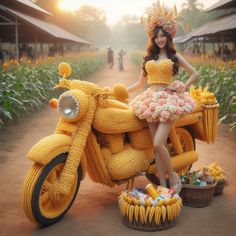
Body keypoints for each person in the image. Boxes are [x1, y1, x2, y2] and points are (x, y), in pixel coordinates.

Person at [128, 1, 200, 193]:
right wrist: (120, 91)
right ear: (153, 38)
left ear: (168, 37)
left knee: (158, 143)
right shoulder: (148, 59)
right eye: (157, 36)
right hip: (150, 101)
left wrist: (182, 88)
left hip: (168, 100)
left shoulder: (173, 57)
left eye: (163, 36)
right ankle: (162, 185)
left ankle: (174, 177)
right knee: (156, 150)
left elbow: (195, 73)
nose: (160, 39)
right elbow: (140, 84)